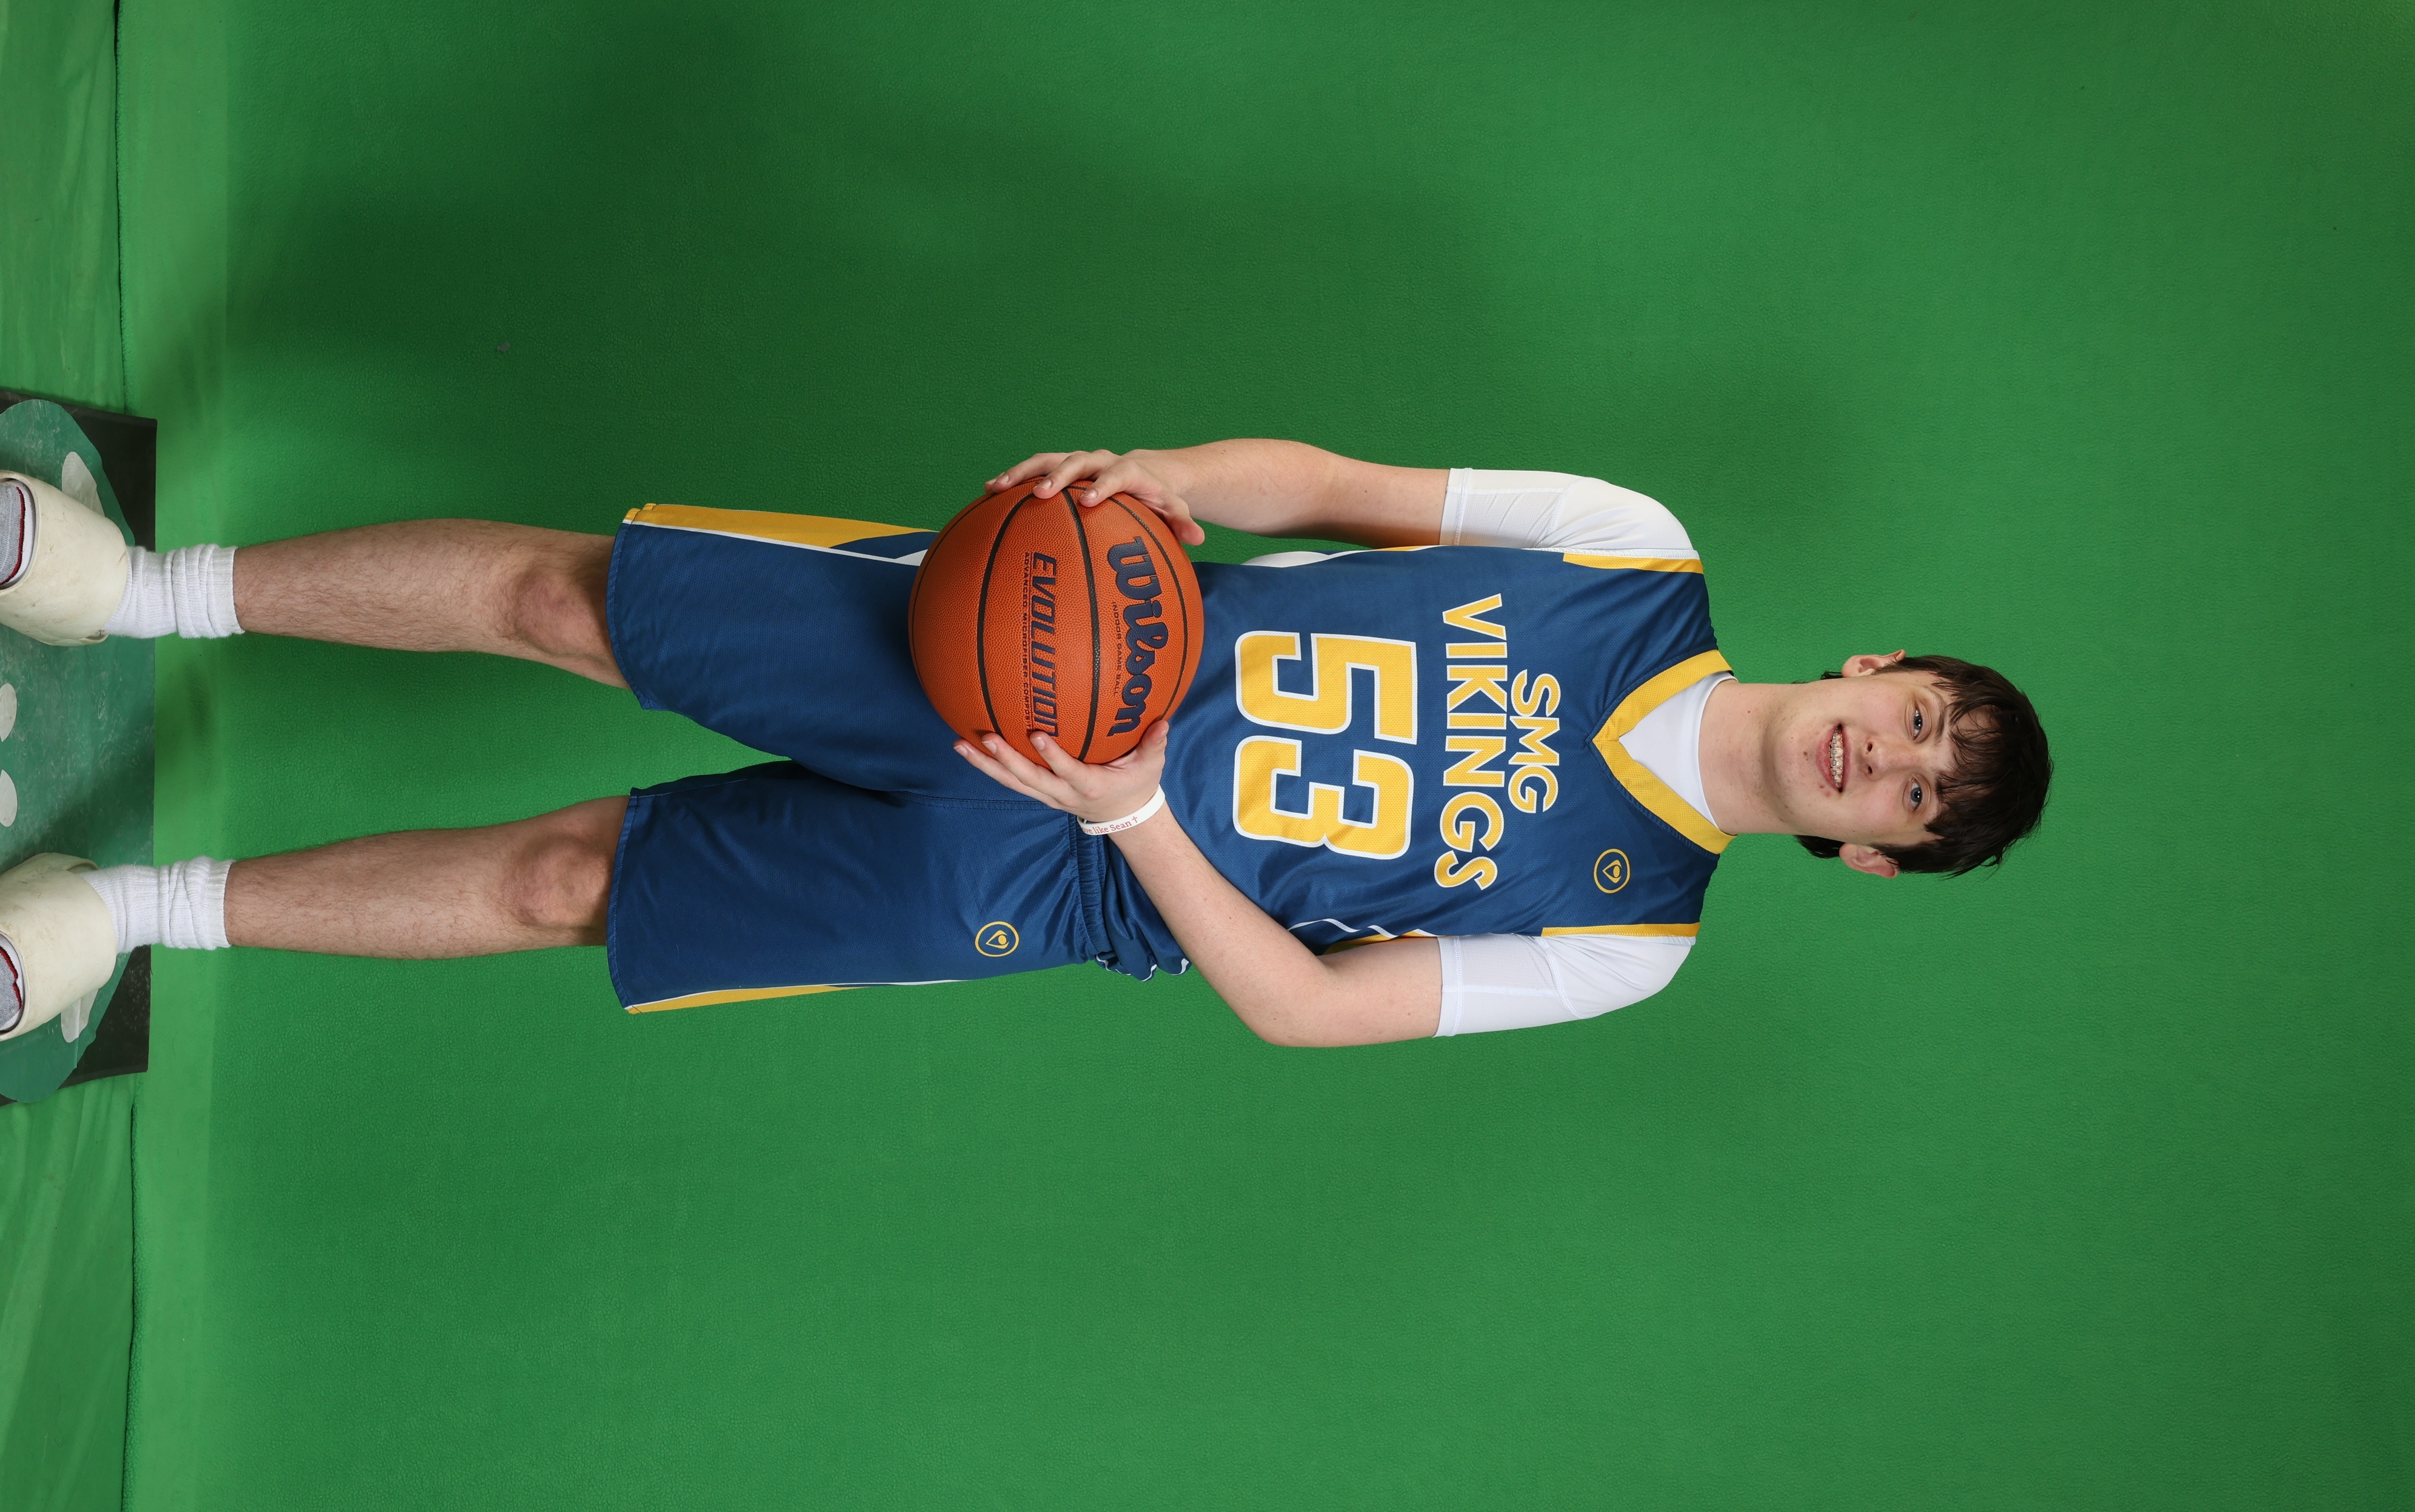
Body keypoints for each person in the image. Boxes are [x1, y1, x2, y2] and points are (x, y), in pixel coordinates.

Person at [0, 439, 2049, 1048]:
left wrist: (1137, 812)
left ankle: (129, 914)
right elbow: (1333, 487)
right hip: (1057, 641)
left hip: (1051, 876)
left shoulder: (1633, 936)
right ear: (1883, 665)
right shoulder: (1633, 551)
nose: (1892, 757)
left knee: (572, 887)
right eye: (1924, 718)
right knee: (574, 600)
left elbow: (1311, 1012)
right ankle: (133, 588)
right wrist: (1168, 477)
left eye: (1921, 797)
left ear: (1877, 855)